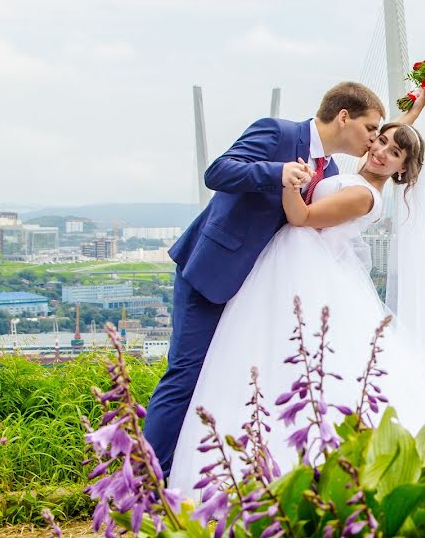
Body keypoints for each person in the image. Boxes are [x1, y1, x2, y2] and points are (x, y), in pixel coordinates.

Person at [168, 110, 425, 495]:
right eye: (379, 139)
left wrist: (288, 181)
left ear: (400, 171)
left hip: (301, 271)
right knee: (274, 359)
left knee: (291, 363)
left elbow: (301, 217)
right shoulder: (356, 174)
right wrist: (413, 109)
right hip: (292, 268)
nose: (379, 149)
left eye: (393, 154)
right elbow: (382, 134)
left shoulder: (363, 195)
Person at [144, 82, 395, 479]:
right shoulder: (278, 132)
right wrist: (277, 172)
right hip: (214, 271)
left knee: (228, 381)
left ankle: (196, 476)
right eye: (370, 128)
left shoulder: (328, 170)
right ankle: (146, 481)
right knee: (186, 375)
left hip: (258, 290)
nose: (372, 141)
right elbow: (218, 171)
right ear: (344, 117)